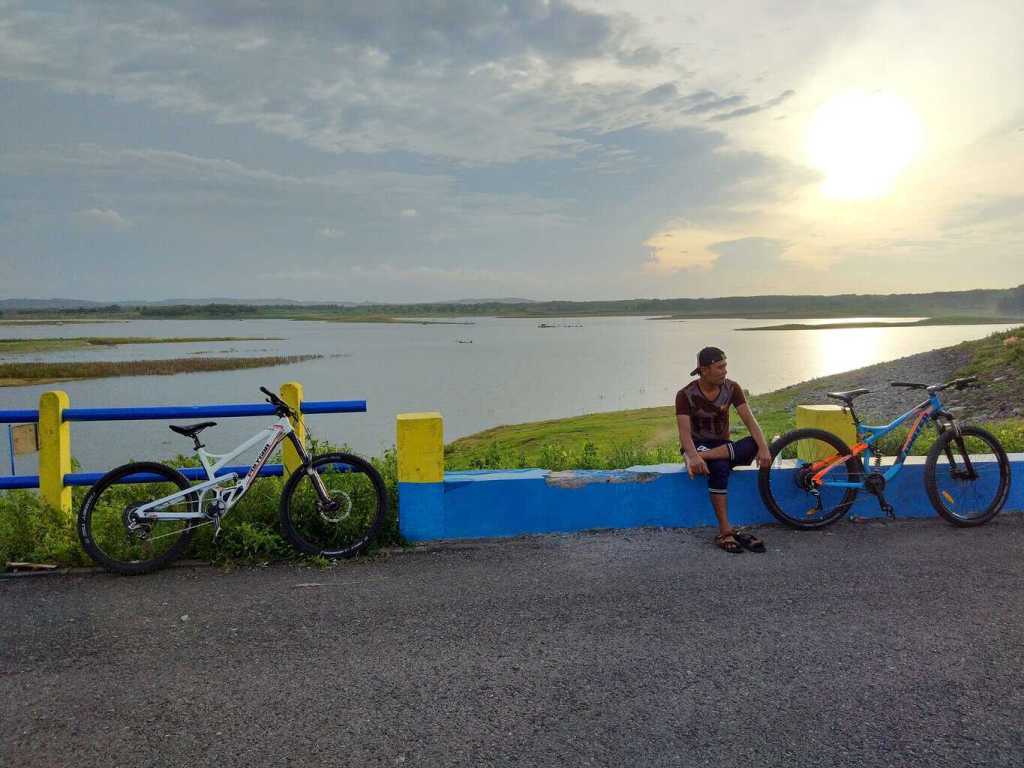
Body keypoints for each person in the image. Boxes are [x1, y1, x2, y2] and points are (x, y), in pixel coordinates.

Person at [675, 346, 772, 554]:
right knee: (720, 467)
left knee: (753, 443)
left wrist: (763, 448)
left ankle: (704, 457)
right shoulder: (685, 394)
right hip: (699, 444)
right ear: (704, 369)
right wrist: (692, 453)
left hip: (720, 447)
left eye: (725, 366)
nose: (725, 371)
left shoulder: (732, 388)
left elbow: (750, 421)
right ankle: (725, 530)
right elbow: (684, 434)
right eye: (720, 367)